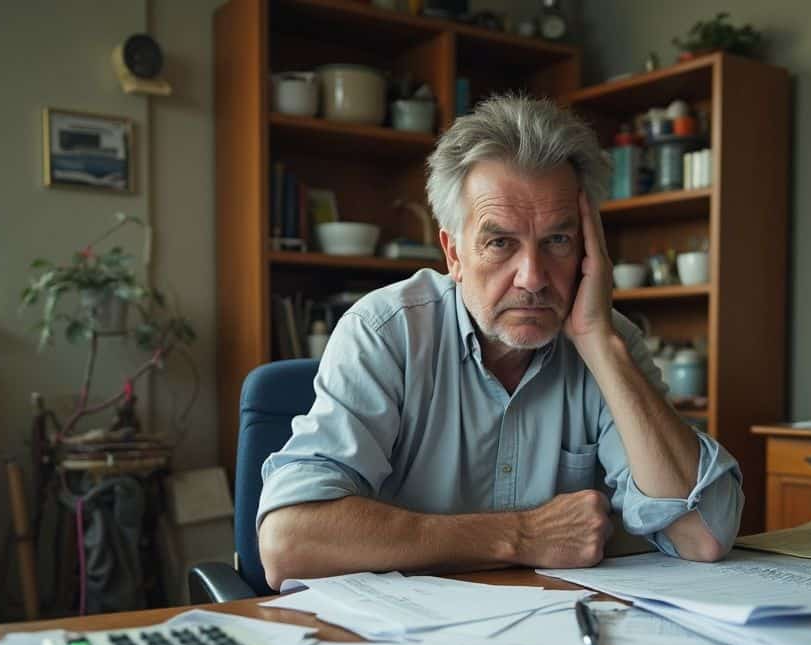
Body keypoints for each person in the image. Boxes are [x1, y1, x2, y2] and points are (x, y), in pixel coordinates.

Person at [256, 95, 742, 591]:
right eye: (499, 242)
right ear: (454, 253)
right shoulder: (386, 332)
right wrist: (519, 535)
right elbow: (289, 543)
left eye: (557, 241)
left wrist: (600, 343)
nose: (532, 278)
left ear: (589, 249)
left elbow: (701, 535)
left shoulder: (608, 340)